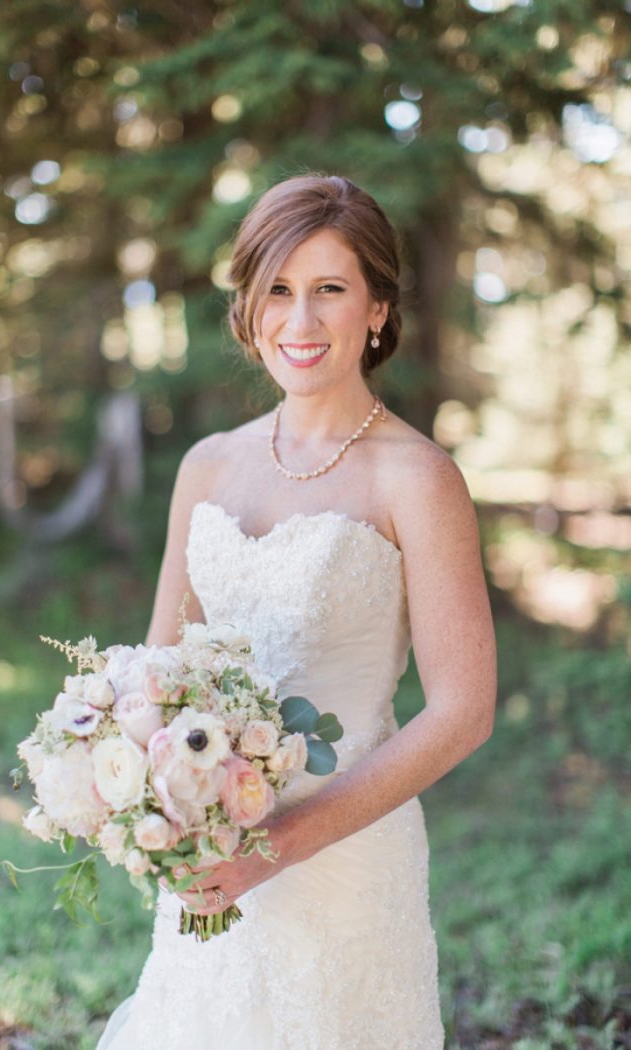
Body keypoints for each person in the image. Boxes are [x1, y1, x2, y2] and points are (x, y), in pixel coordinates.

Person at [97, 173, 497, 1049]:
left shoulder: (419, 478)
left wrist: (276, 842)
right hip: (209, 858)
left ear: (378, 310)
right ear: (247, 307)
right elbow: (153, 671)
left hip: (347, 864)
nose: (301, 322)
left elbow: (464, 712)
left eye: (330, 290)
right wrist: (132, 787)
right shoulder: (206, 466)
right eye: (278, 289)